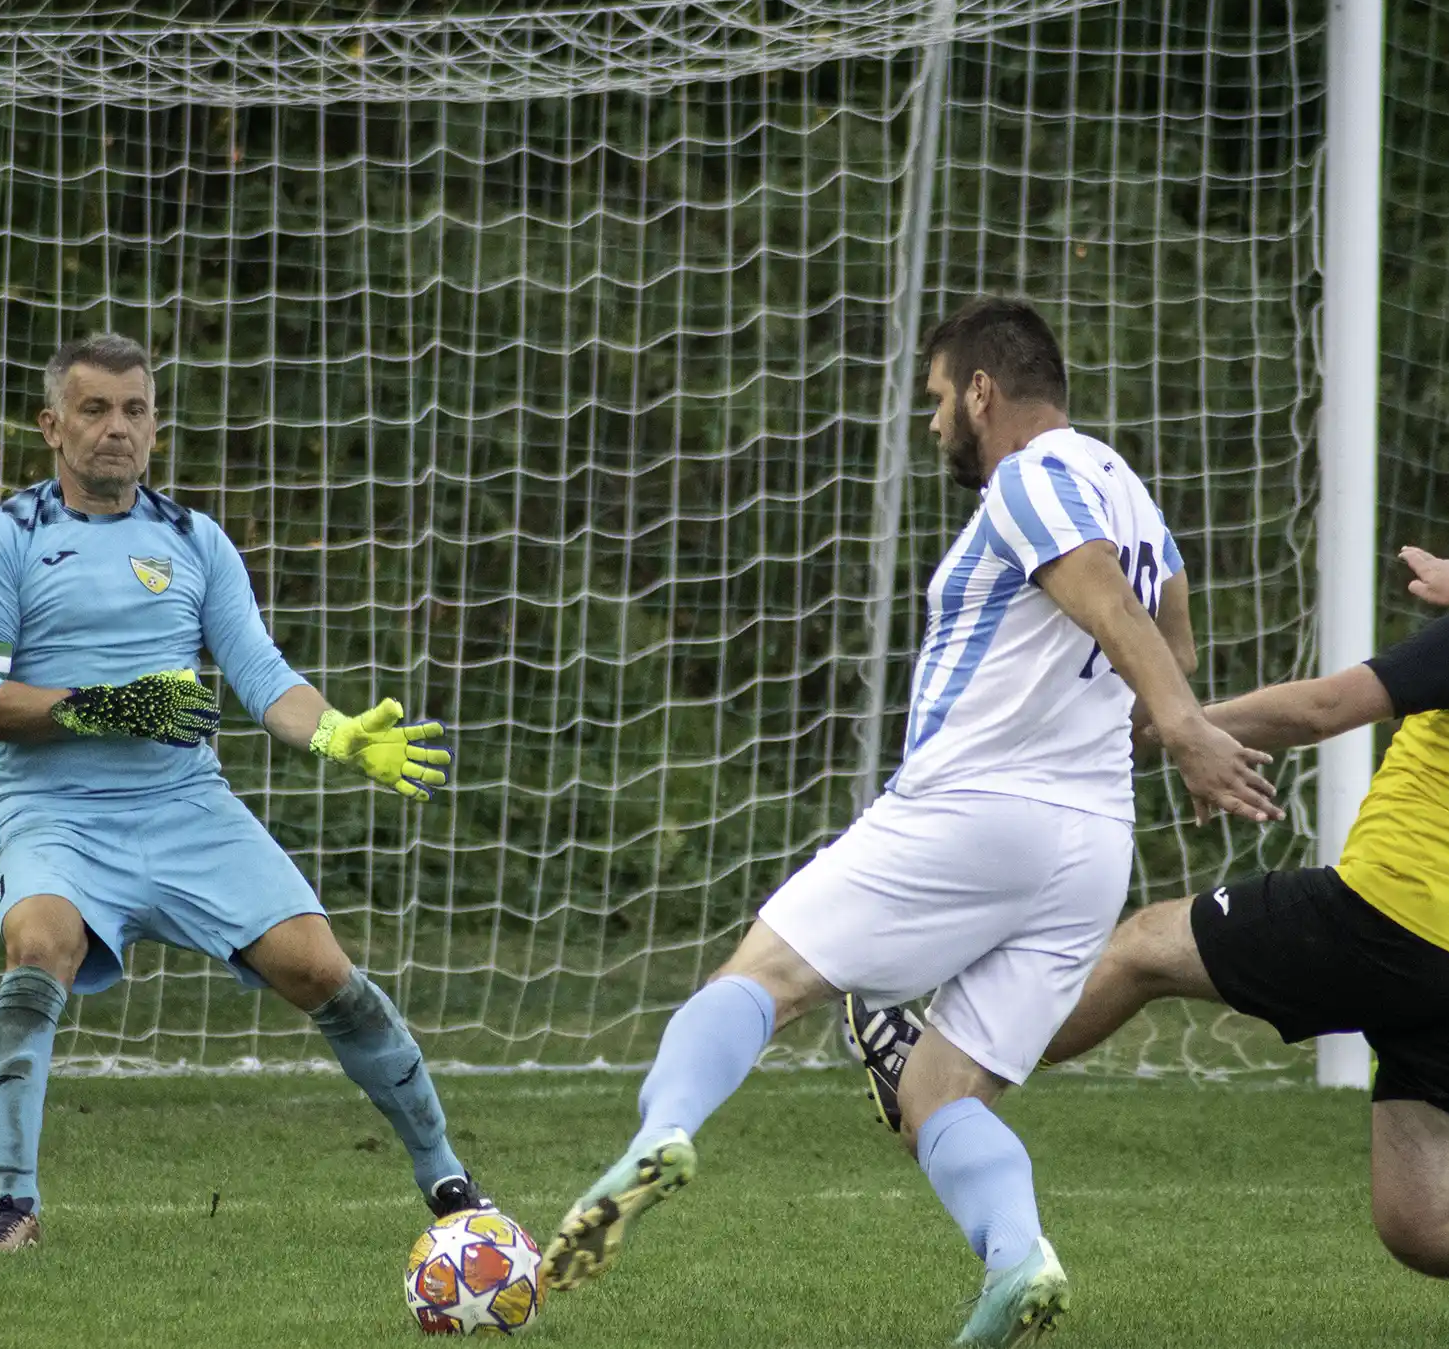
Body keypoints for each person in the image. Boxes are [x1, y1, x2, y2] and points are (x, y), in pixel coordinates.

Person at [539, 298, 1279, 1345]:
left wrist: (1184, 730)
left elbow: (1109, 606)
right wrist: (1171, 718)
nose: (933, 423)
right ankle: (1017, 1260)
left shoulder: (1030, 477)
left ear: (982, 391)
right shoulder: (1131, 491)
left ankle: (659, 1135)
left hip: (976, 807)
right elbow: (1172, 633)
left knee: (761, 979)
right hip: (1089, 848)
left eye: (936, 398)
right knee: (937, 1090)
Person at [873, 455, 1449, 1330]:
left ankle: (943, 1082)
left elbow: (1326, 709)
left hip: (1385, 917)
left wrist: (1178, 726)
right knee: (1425, 1219)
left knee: (1143, 946)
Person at [0, 333, 482, 1251]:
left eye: (135, 410)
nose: (117, 428)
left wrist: (341, 732)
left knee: (323, 970)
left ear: (155, 427)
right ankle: (12, 1207)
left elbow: (264, 678)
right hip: (58, 814)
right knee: (39, 945)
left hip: (187, 808)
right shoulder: (4, 537)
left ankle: (451, 1182)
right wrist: (112, 707)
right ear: (52, 426)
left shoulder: (194, 539)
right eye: (95, 409)